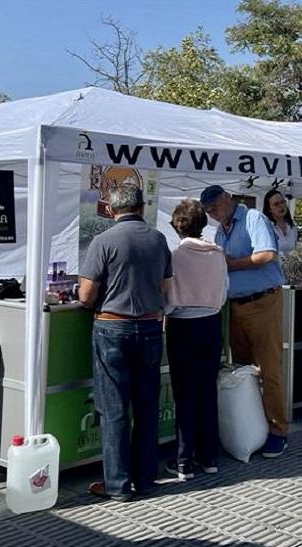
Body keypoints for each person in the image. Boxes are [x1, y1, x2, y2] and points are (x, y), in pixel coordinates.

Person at [78, 183, 172, 502]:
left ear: (112, 209)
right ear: (142, 207)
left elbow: (87, 295)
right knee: (146, 407)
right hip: (149, 328)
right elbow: (166, 287)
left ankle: (117, 485)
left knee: (114, 409)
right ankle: (145, 479)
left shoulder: (103, 241)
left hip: (112, 328)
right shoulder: (158, 239)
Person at [201, 185, 289, 458]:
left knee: (268, 368)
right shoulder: (220, 231)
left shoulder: (253, 219)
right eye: (208, 211)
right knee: (242, 370)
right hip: (236, 306)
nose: (213, 213)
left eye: (215, 207)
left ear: (228, 199)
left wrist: (230, 263)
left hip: (263, 301)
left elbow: (267, 255)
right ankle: (251, 426)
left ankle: (278, 431)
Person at [163, 200, 227, 479]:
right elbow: (223, 292)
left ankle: (183, 460)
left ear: (176, 225)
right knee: (207, 391)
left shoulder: (175, 256)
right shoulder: (218, 254)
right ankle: (209, 456)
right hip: (212, 324)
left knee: (185, 395)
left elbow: (167, 298)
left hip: (183, 326)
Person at [262, 189, 299, 255]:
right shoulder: (266, 228)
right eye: (276, 204)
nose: (281, 206)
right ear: (269, 209)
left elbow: (295, 250)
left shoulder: (292, 227)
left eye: (283, 202)